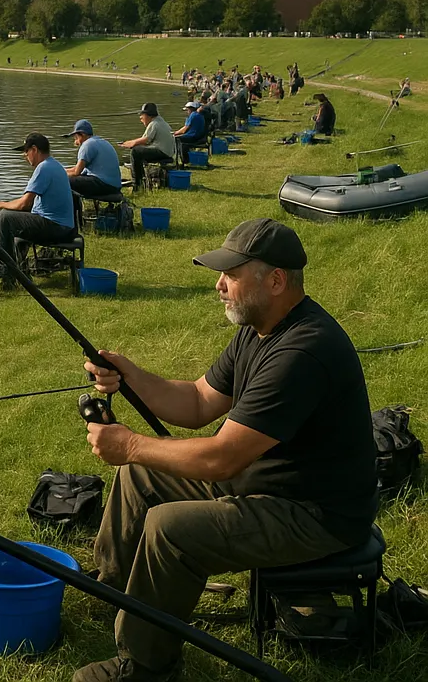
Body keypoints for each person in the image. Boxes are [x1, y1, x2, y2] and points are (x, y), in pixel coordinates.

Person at [74, 219, 377, 682]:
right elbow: (198, 401)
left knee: (170, 529)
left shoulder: (301, 352)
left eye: (231, 275)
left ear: (275, 281)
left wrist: (131, 444)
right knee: (140, 474)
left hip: (316, 514)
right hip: (267, 482)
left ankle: (145, 665)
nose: (219, 285)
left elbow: (221, 459)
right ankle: (113, 588)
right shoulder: (259, 329)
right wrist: (131, 375)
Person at [0, 132, 76, 277]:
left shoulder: (43, 168)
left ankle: (4, 271)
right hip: (65, 227)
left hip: (57, 228)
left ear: (34, 149)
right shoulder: (55, 165)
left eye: (26, 151)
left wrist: (0, 205)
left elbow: (24, 204)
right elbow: (28, 205)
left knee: (5, 218)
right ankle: (17, 267)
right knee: (14, 218)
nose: (25, 155)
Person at [64, 119, 124, 199]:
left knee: (65, 180)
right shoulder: (101, 141)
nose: (76, 142)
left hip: (104, 185)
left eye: (76, 138)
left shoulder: (87, 145)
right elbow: (79, 169)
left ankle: (74, 206)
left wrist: (59, 175)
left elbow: (76, 172)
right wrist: (61, 170)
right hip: (115, 186)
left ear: (82, 134)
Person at [121, 103, 175, 189]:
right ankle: (142, 177)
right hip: (168, 152)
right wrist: (131, 143)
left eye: (142, 115)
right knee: (138, 151)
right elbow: (146, 141)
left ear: (148, 115)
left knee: (135, 152)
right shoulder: (162, 122)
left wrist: (130, 143)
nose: (141, 118)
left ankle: (137, 183)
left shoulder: (154, 123)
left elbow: (145, 140)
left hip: (162, 151)